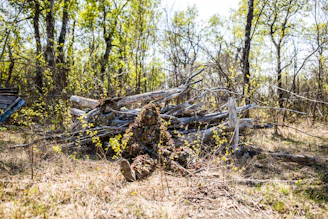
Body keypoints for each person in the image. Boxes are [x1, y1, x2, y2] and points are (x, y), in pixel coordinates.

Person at [119, 103, 192, 182]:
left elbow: (170, 145)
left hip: (158, 154)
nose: (149, 120)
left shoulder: (160, 129)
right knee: (144, 161)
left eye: (151, 118)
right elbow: (126, 145)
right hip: (142, 155)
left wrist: (162, 150)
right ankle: (133, 174)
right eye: (148, 118)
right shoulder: (136, 128)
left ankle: (189, 167)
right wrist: (140, 148)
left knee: (181, 154)